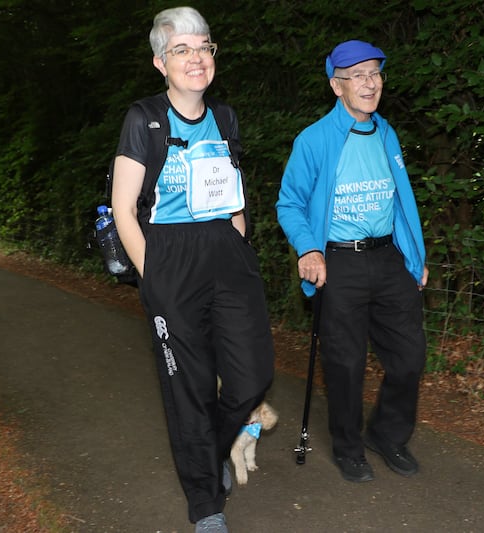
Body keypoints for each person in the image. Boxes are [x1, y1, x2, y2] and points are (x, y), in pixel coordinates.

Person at [110, 7, 274, 532]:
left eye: (203, 46)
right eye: (181, 49)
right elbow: (123, 207)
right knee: (189, 388)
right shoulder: (143, 119)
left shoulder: (225, 117)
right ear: (161, 62)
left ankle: (217, 447)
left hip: (226, 252)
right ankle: (205, 504)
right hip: (169, 256)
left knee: (253, 375)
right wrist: (152, 277)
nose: (196, 58)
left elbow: (233, 193)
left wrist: (239, 241)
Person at [276, 40, 429, 484]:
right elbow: (290, 203)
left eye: (375, 73)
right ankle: (348, 447)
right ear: (336, 86)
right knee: (344, 363)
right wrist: (308, 248)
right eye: (358, 75)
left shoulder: (386, 133)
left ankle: (386, 434)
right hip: (339, 262)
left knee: (409, 356)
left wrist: (414, 254)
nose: (370, 82)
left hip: (388, 259)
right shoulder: (315, 139)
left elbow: (403, 201)